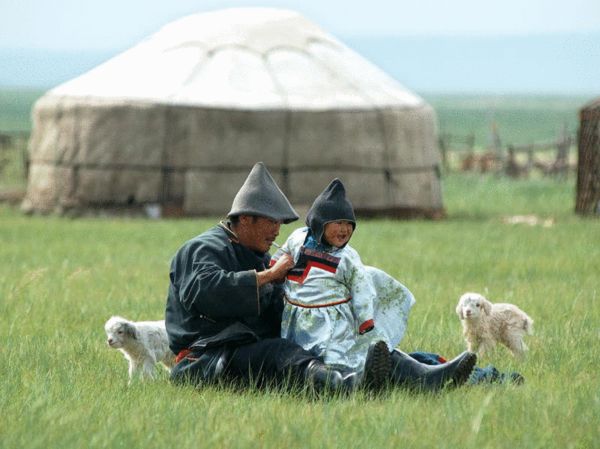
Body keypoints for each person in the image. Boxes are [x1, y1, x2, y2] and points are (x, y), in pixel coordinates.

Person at [164, 163, 386, 392]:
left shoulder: (257, 255)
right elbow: (207, 291)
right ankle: (352, 386)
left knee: (324, 344)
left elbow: (275, 313)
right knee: (281, 353)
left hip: (249, 349)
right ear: (247, 218)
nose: (277, 231)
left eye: (279, 223)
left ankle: (421, 372)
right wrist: (268, 276)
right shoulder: (201, 249)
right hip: (207, 361)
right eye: (272, 221)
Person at [272, 178, 477, 391]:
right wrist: (273, 270)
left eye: (348, 224)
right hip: (300, 323)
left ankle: (430, 376)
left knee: (364, 350)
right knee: (345, 358)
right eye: (338, 223)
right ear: (318, 221)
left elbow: (362, 289)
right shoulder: (298, 238)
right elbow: (282, 254)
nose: (344, 229)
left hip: (333, 324)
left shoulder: (347, 257)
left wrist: (365, 321)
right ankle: (378, 380)